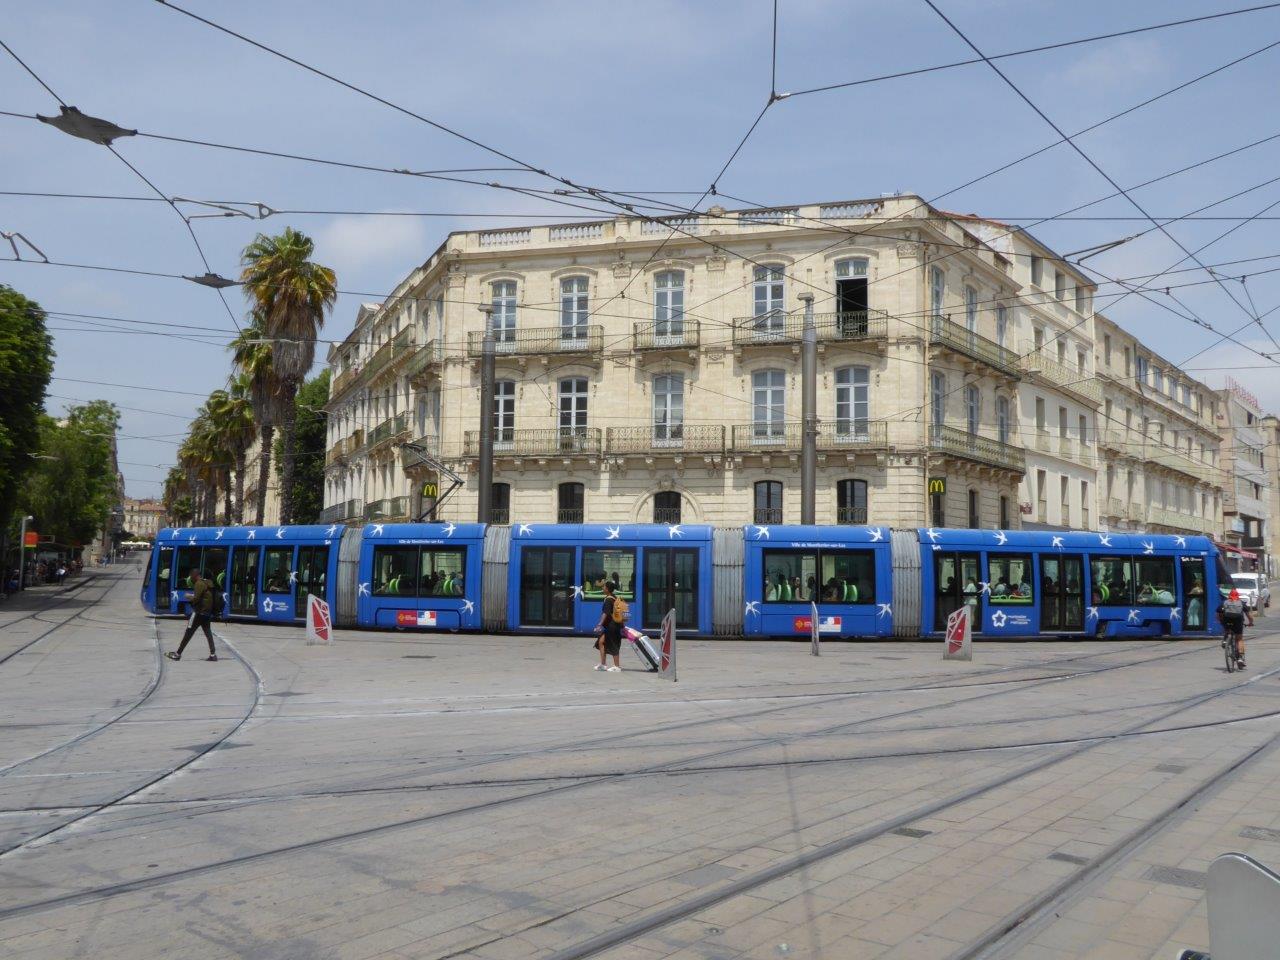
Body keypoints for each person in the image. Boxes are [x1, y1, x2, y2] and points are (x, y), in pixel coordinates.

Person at [167, 567, 218, 662]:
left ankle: (178, 654)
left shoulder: (199, 584)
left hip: (198, 612)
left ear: (196, 575)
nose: (190, 578)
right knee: (208, 633)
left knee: (188, 632)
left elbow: (196, 599)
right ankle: (213, 654)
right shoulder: (208, 582)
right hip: (207, 613)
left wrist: (188, 597)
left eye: (191, 576)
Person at [1218, 588, 1253, 668]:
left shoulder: (1224, 602)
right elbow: (1249, 616)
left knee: (1227, 629)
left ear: (1229, 595)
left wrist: (1220, 621)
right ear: (1238, 596)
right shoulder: (1241, 603)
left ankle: (1225, 640)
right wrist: (1250, 622)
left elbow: (1218, 613)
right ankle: (1240, 658)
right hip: (1238, 622)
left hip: (1227, 621)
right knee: (1239, 639)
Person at [594, 580, 623, 673]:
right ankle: (603, 664)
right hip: (613, 625)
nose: (602, 588)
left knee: (613, 644)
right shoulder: (614, 597)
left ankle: (617, 666)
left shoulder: (608, 599)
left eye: (603, 587)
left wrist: (599, 624)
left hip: (612, 626)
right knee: (601, 642)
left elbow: (605, 613)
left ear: (607, 589)